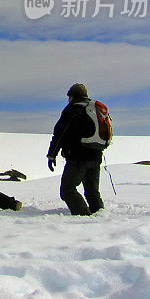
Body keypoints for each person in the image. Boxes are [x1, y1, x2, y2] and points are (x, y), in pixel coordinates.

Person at [46, 83, 105, 215]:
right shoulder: (94, 109)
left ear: (72, 96)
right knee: (92, 191)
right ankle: (101, 215)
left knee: (67, 190)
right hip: (96, 155)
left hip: (78, 157)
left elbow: (60, 133)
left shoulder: (72, 109)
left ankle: (83, 216)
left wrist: (51, 155)